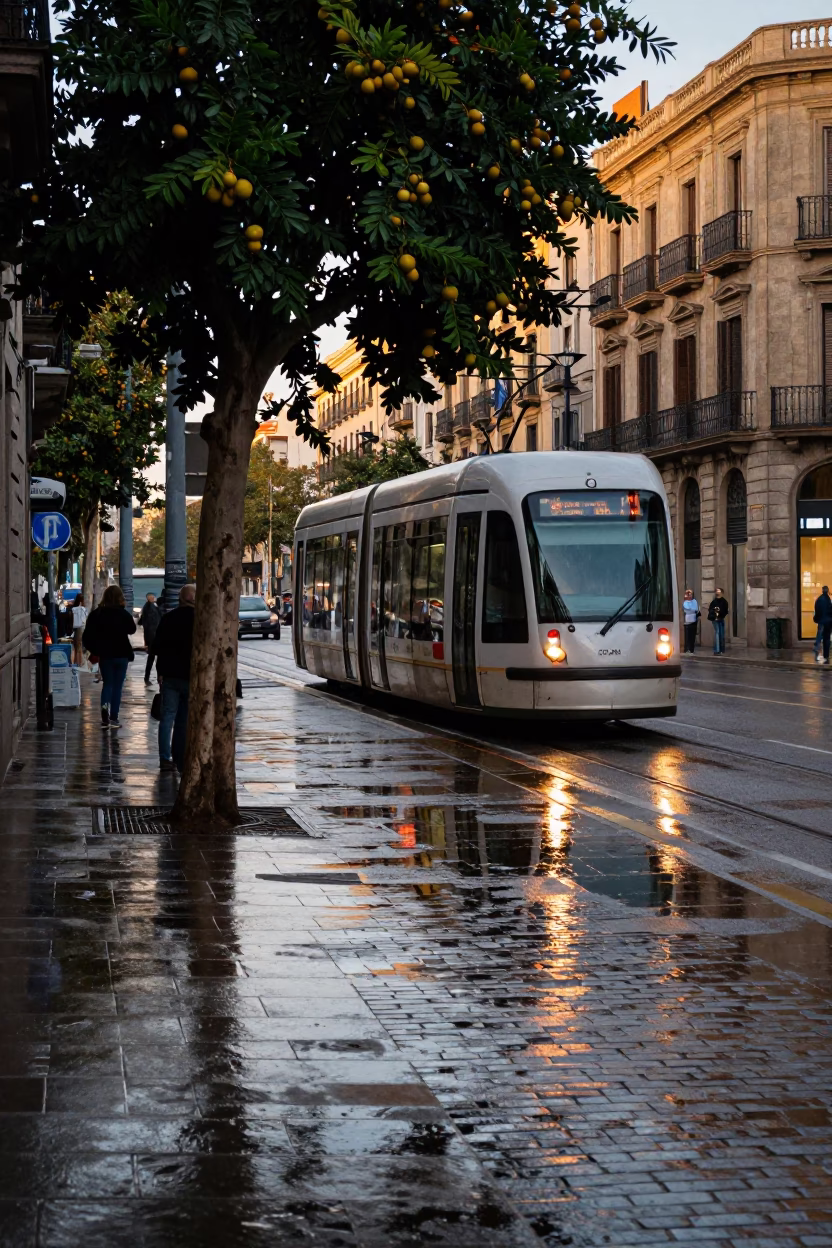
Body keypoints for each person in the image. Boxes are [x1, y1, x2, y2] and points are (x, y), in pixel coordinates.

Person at [152, 583, 195, 772]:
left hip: (169, 675)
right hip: (191, 676)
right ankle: (179, 758)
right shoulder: (200, 619)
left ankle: (164, 758)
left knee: (167, 717)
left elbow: (157, 648)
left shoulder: (168, 618)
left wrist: (160, 672)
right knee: (183, 719)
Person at [82, 584, 136, 727]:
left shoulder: (97, 614)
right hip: (122, 655)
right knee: (118, 687)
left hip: (105, 656)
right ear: (120, 598)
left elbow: (86, 637)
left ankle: (104, 714)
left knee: (107, 685)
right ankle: (114, 717)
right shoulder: (123, 614)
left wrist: (95, 650)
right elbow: (132, 629)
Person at [139, 592, 162, 685]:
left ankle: (153, 678)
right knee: (153, 658)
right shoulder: (149, 607)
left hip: (153, 636)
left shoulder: (154, 607)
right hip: (153, 636)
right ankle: (151, 678)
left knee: (153, 658)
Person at [707, 588, 730, 656]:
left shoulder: (724, 601)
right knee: (717, 633)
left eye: (719, 591)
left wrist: (720, 613)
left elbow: (726, 611)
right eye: (717, 591)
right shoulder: (714, 602)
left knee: (721, 634)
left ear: (722, 593)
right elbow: (710, 609)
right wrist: (714, 611)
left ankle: (721, 649)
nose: (718, 592)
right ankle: (717, 650)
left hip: (721, 619)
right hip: (715, 619)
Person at [813, 584, 832, 664]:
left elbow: (817, 609)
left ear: (822, 590)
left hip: (821, 621)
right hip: (828, 621)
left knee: (820, 635)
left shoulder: (819, 599)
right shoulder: (828, 599)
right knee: (827, 638)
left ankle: (817, 648)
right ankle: (826, 654)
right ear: (827, 591)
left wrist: (817, 618)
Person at [71, 596, 88, 667]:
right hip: (82, 628)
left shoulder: (73, 609)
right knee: (79, 647)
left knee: (75, 647)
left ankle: (75, 663)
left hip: (75, 628)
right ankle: (79, 663)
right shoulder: (83, 609)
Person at [682, 588, 700, 654]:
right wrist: (691, 609)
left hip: (694, 620)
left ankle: (692, 649)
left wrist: (691, 609)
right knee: (688, 636)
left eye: (691, 594)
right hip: (687, 621)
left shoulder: (694, 601)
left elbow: (695, 609)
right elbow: (687, 609)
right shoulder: (685, 602)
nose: (690, 596)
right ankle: (687, 649)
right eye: (688, 594)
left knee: (693, 636)